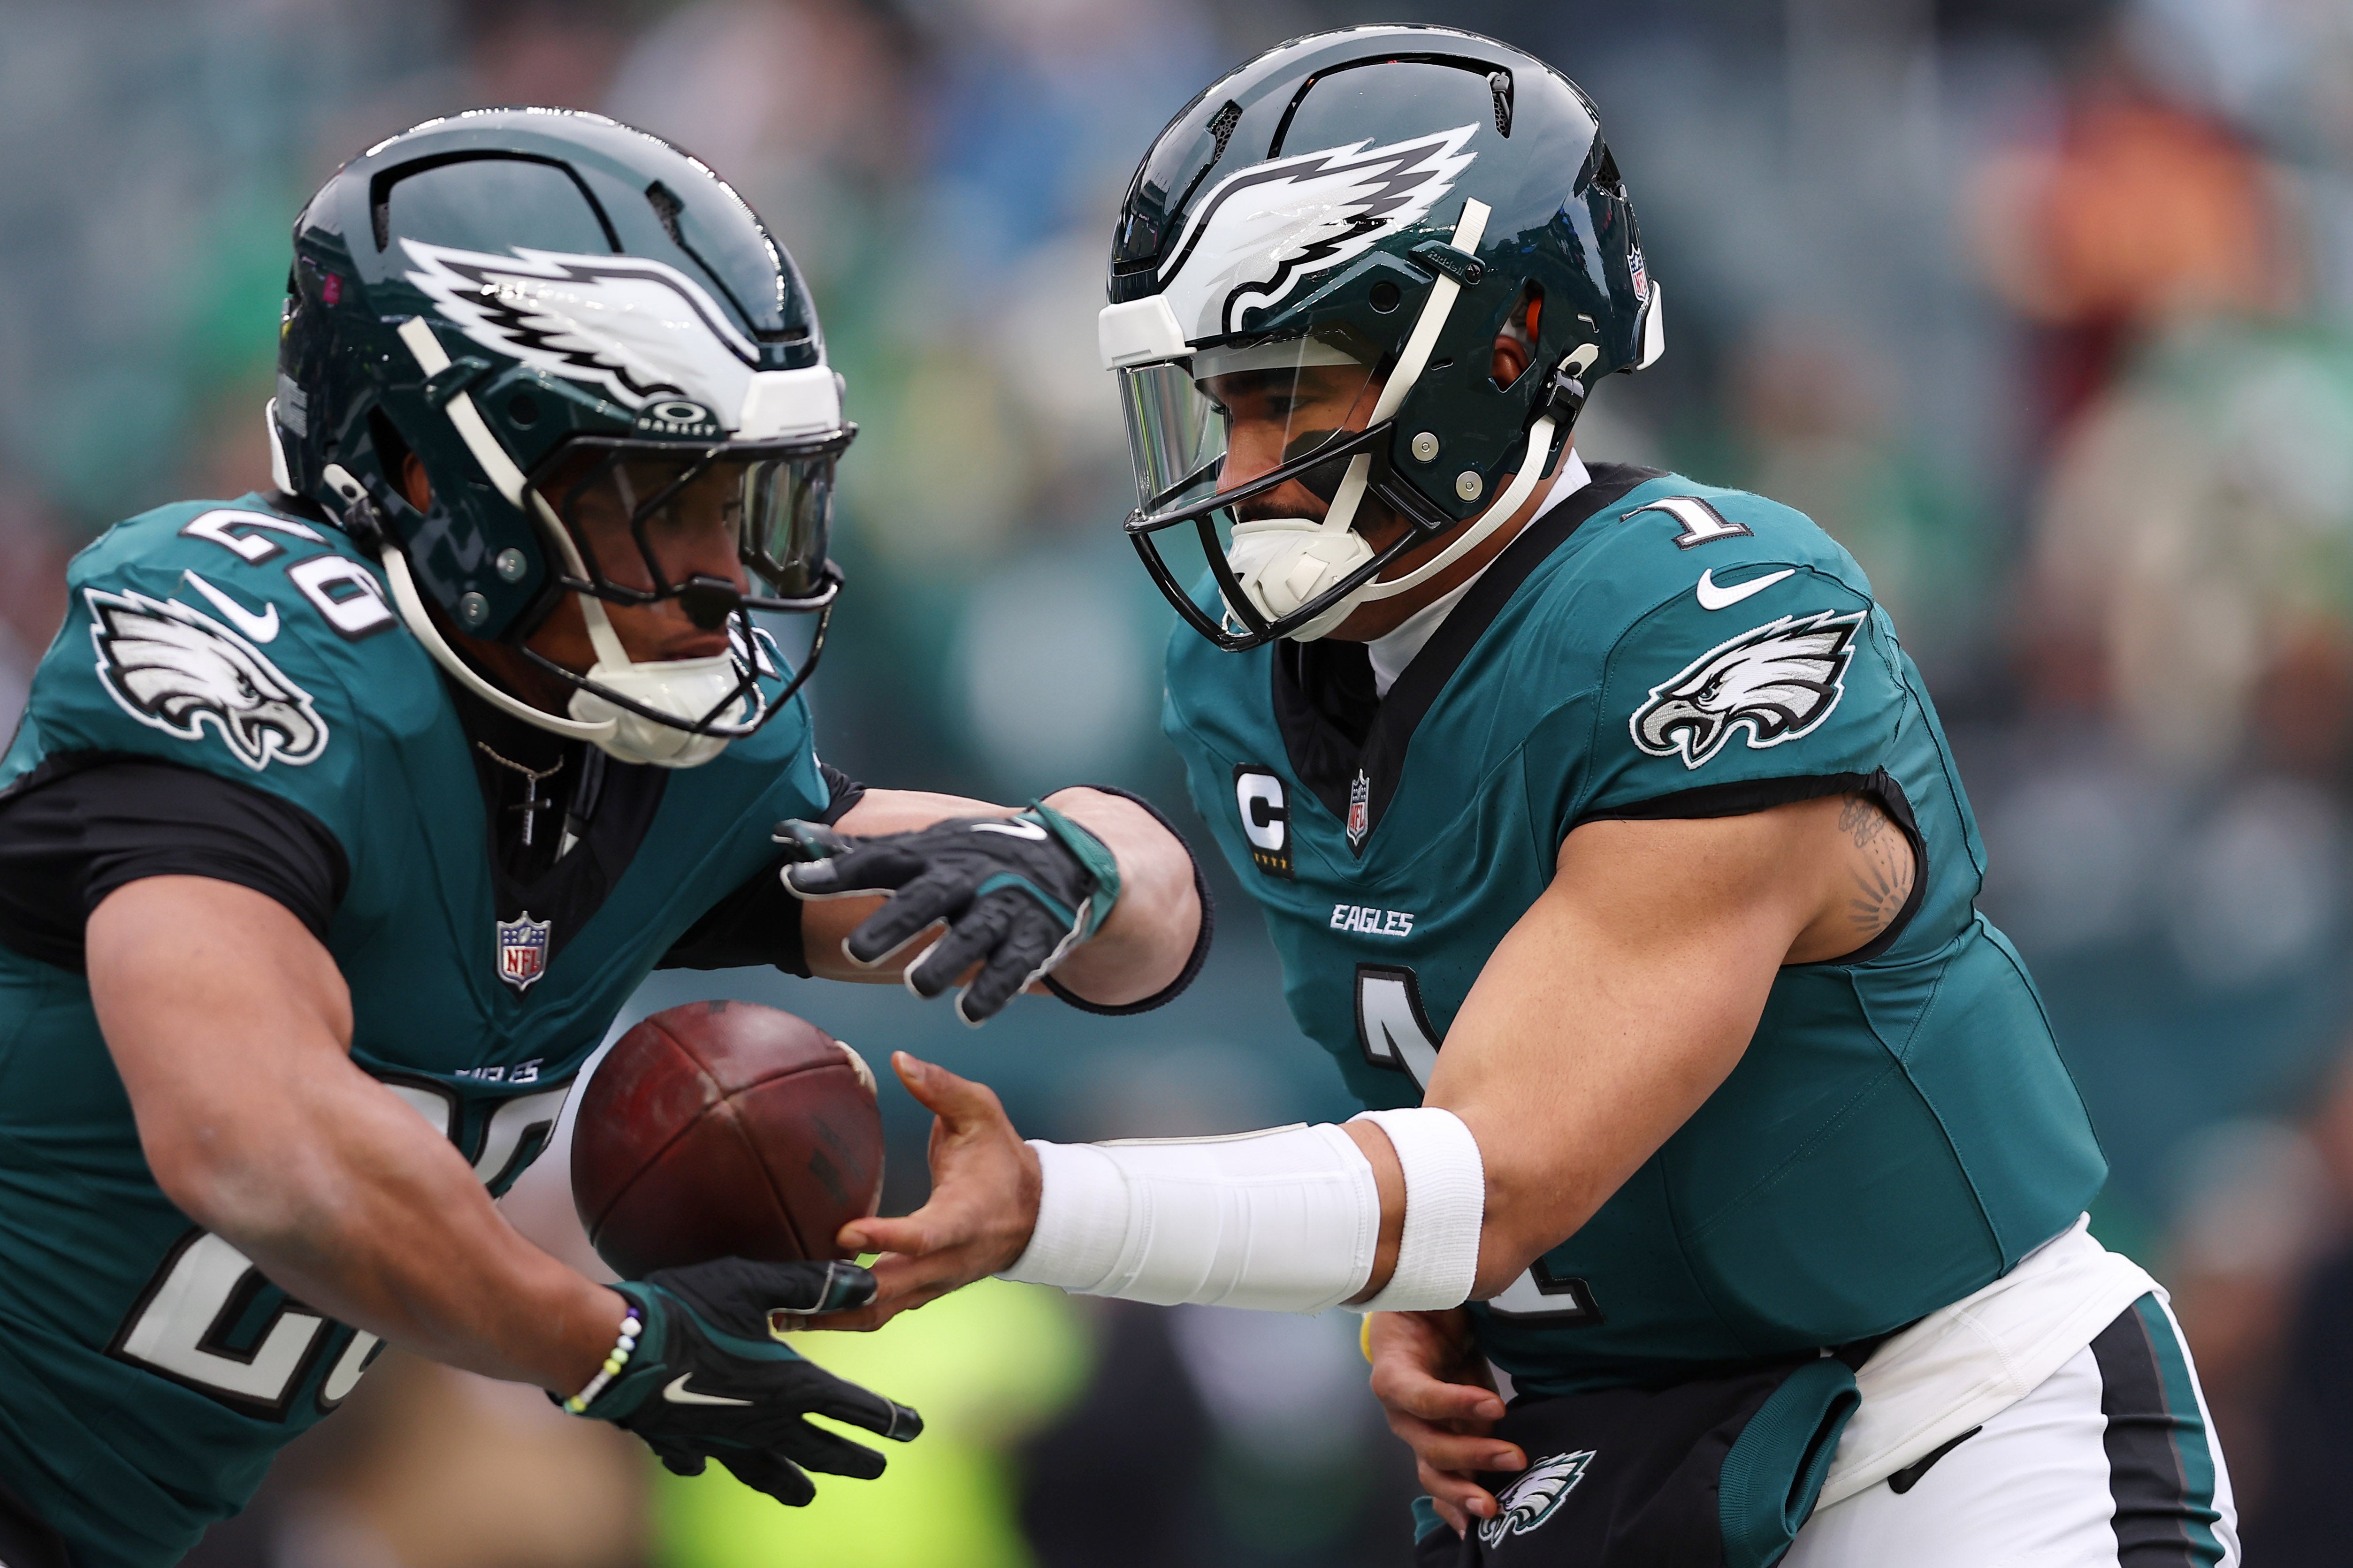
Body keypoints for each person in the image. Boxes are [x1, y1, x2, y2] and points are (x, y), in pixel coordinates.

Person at [785, 27, 2240, 1567]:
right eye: (1223, 403)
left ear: (1500, 349)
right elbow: (1401, 1032)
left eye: (1293, 396)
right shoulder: (1252, 677)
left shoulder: (1712, 620)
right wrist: (1436, 1297)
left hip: (1940, 1439)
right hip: (1595, 1460)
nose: (1247, 461)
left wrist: (1050, 1212)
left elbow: (1498, 1175)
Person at [0, 109, 1206, 1568]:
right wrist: (608, 1345)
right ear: (429, 474)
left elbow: (1142, 924)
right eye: (660, 502)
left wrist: (1076, 868)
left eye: (744, 500)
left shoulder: (651, 765)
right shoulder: (263, 660)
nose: (720, 574)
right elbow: (253, 1145)